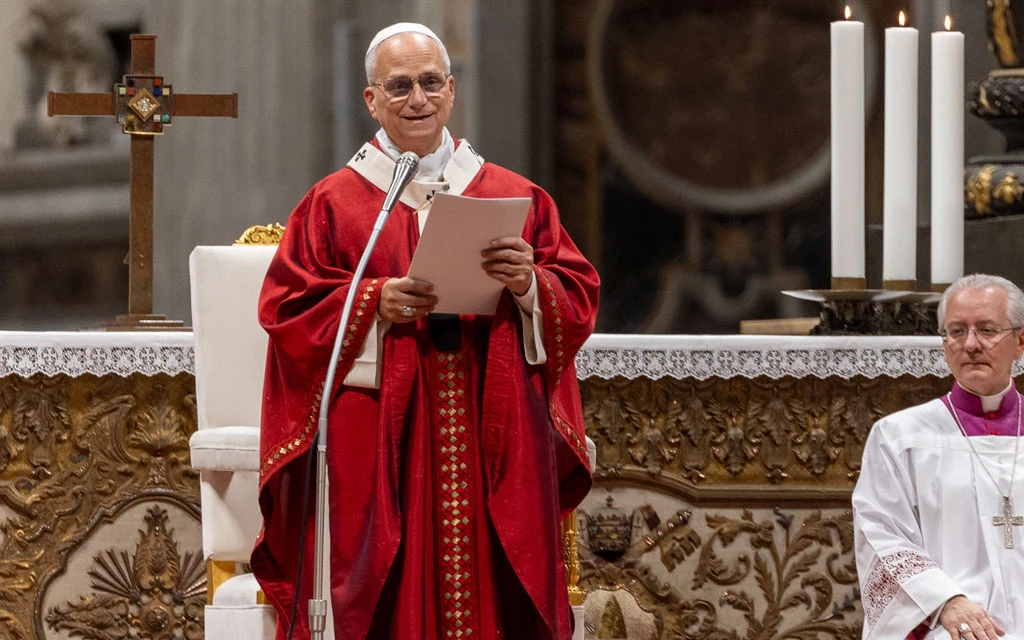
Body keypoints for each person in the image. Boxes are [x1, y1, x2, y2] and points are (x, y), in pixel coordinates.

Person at [250, 21, 600, 640]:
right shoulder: (334, 204)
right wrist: (373, 302)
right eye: (400, 85)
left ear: (451, 90)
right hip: (385, 426)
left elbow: (575, 294)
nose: (418, 98)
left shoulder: (514, 195)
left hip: (488, 418)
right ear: (372, 100)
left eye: (431, 82)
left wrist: (527, 283)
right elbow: (287, 308)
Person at [853, 273, 1024, 640]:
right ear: (945, 345)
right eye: (957, 331)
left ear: (1020, 341)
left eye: (988, 330)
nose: (971, 344)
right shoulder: (901, 436)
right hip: (953, 623)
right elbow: (881, 536)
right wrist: (945, 601)